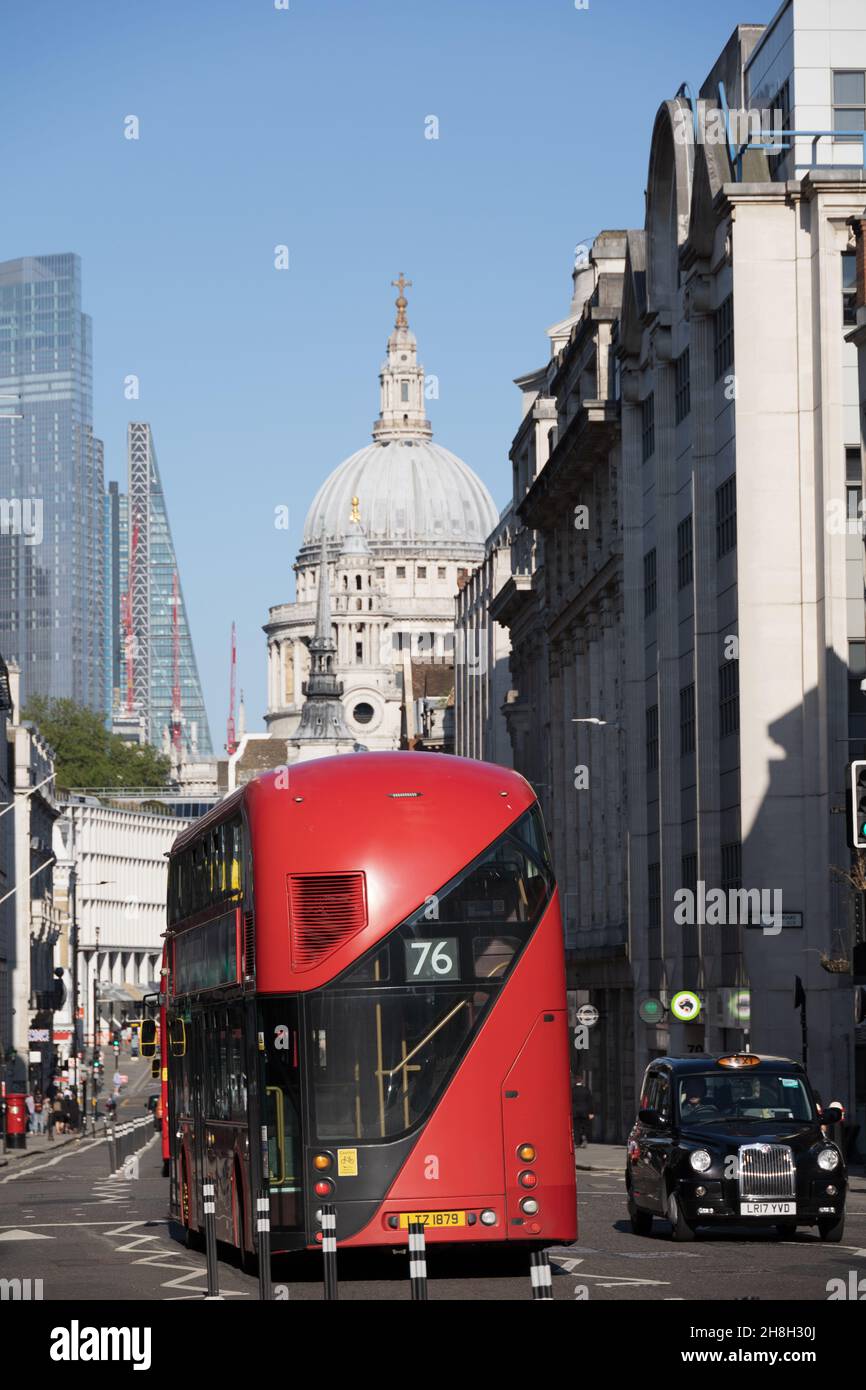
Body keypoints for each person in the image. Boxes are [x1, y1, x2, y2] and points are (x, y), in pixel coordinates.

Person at [572, 1072, 595, 1148]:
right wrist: (591, 1112)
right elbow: (590, 1102)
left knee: (576, 1127)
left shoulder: (572, 1090)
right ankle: (584, 1138)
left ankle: (577, 1142)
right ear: (582, 1081)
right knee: (584, 1126)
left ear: (575, 1081)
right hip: (585, 1111)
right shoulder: (586, 1090)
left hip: (575, 1111)